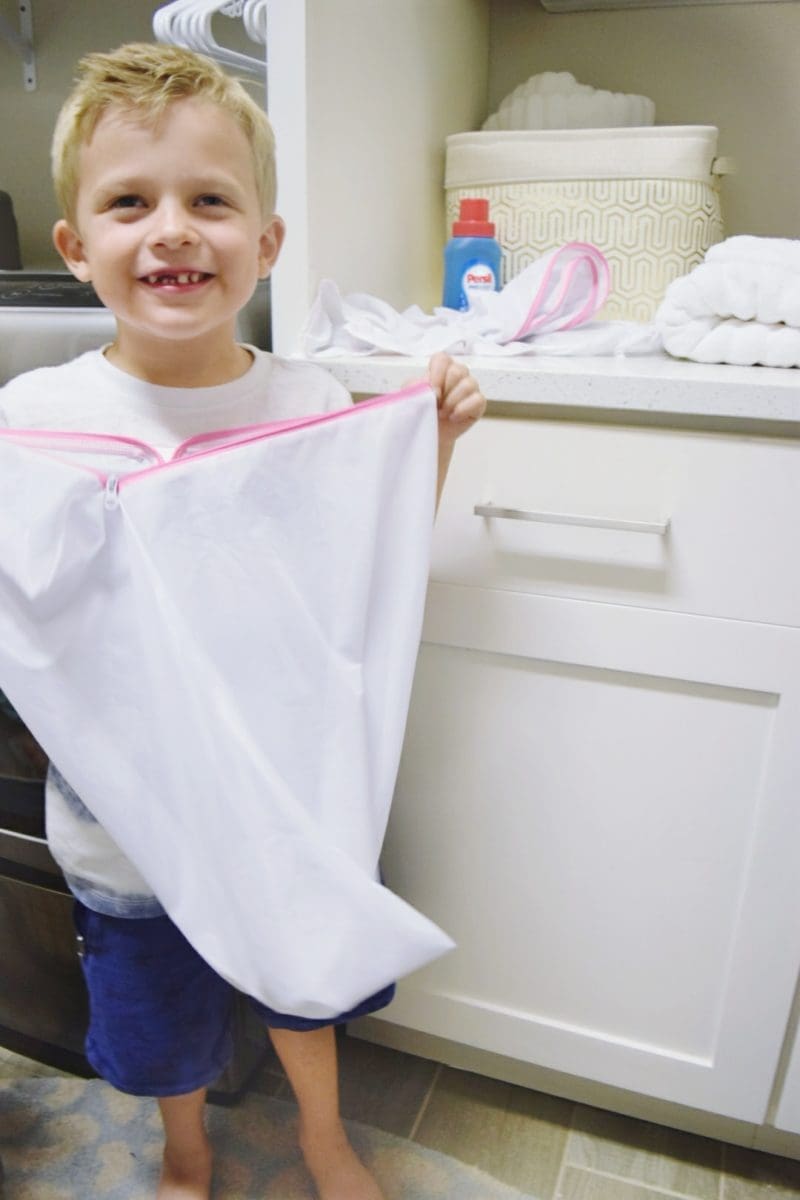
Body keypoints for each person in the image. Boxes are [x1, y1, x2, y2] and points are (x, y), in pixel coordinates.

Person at [0, 42, 486, 1200]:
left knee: (302, 977)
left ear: (263, 243)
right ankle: (186, 1149)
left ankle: (322, 1136)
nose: (171, 228)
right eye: (129, 202)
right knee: (157, 1006)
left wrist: (432, 443)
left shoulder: (309, 404)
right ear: (77, 247)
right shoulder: (34, 414)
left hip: (285, 787)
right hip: (127, 814)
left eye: (210, 200)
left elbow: (354, 570)